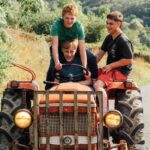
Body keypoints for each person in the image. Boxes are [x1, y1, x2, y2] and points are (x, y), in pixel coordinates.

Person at [45, 3, 98, 89]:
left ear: (76, 18)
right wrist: (57, 62)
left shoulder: (78, 26)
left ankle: (94, 81)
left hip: (73, 45)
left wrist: (84, 68)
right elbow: (54, 46)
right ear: (63, 17)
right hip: (60, 46)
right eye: (67, 18)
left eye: (72, 18)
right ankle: (48, 88)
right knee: (52, 65)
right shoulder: (56, 25)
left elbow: (82, 49)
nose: (69, 21)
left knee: (92, 58)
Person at [94, 11, 134, 101]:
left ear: (119, 24)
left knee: (97, 85)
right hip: (110, 70)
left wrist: (111, 65)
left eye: (111, 24)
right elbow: (99, 55)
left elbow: (129, 60)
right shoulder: (109, 37)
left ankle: (104, 111)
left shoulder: (123, 40)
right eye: (107, 23)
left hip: (120, 71)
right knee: (90, 76)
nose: (108, 26)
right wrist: (87, 66)